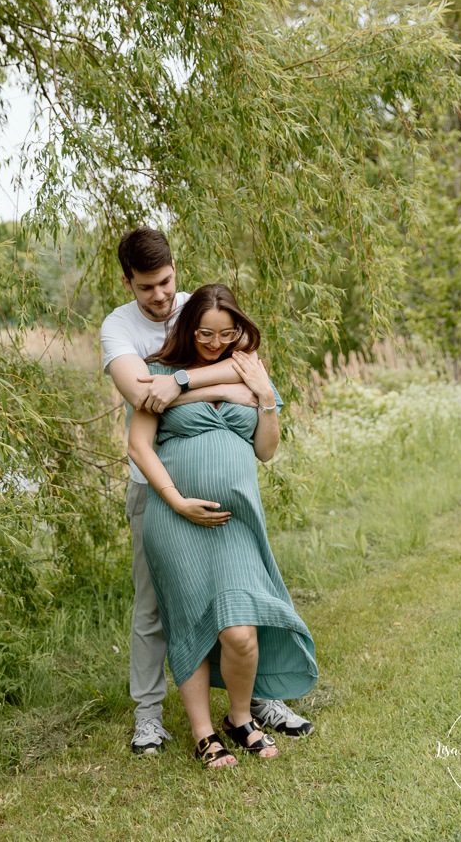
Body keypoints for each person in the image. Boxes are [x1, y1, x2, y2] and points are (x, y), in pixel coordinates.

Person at [101, 228, 314, 754]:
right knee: (156, 610)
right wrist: (211, 386)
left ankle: (257, 701)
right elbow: (143, 395)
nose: (160, 295)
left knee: (246, 604)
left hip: (234, 510)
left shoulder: (201, 308)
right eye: (146, 286)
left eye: (166, 281)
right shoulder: (119, 328)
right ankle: (149, 716)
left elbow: (250, 375)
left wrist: (189, 384)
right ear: (127, 282)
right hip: (158, 496)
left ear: (175, 268)